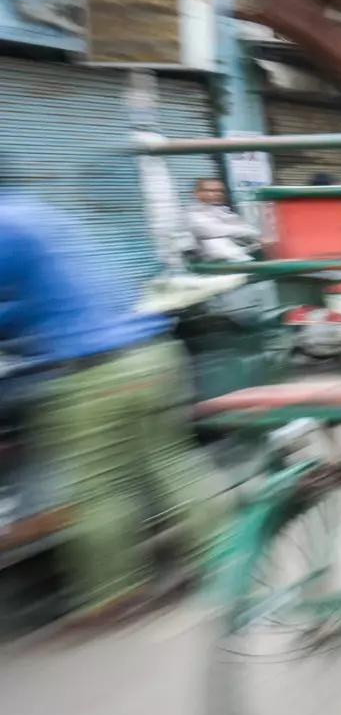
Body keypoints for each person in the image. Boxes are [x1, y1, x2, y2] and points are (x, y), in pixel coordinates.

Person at [0, 172, 225, 629]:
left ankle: (112, 597)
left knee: (98, 489)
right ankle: (227, 560)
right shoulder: (44, 215)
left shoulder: (5, 224)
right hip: (154, 355)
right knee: (171, 462)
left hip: (97, 372)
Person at [185, 177, 260, 264]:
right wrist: (249, 232)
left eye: (220, 191)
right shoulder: (193, 214)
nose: (217, 194)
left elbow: (243, 227)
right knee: (214, 241)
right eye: (210, 191)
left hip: (242, 257)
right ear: (197, 193)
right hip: (218, 263)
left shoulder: (222, 211)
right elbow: (211, 230)